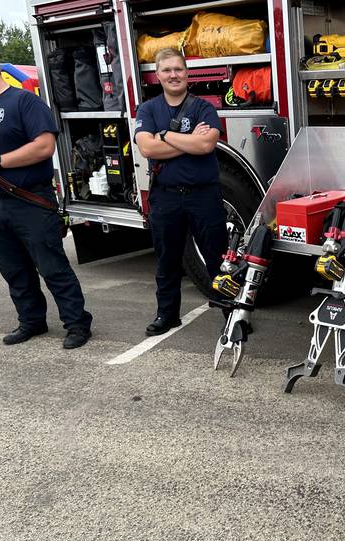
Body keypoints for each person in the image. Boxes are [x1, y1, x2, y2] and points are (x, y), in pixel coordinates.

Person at [0, 42, 93, 349]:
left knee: (52, 267)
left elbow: (44, 146)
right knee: (13, 269)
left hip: (29, 201)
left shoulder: (24, 102)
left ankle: (76, 323)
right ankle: (31, 321)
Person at [134, 48, 227, 336]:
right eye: (167, 70)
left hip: (204, 195)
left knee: (218, 258)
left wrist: (165, 135)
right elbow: (147, 148)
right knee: (167, 259)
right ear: (157, 75)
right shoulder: (148, 109)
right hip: (166, 196)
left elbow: (206, 145)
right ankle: (167, 315)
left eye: (178, 69)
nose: (173, 75)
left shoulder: (203, 108)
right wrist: (187, 139)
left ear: (187, 73)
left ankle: (232, 314)